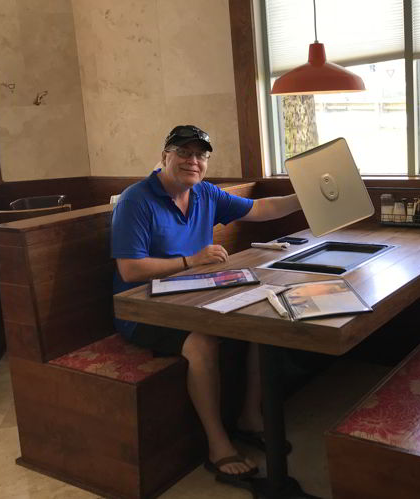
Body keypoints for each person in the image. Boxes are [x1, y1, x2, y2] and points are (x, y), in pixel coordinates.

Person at [111, 124, 301, 479]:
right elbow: (131, 268)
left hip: (194, 296)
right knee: (202, 343)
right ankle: (218, 446)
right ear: (165, 155)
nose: (192, 161)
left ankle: (249, 417)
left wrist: (306, 194)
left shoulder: (206, 194)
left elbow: (261, 208)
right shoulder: (136, 199)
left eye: (200, 155)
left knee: (261, 322)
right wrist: (190, 260)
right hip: (142, 308)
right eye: (183, 152)